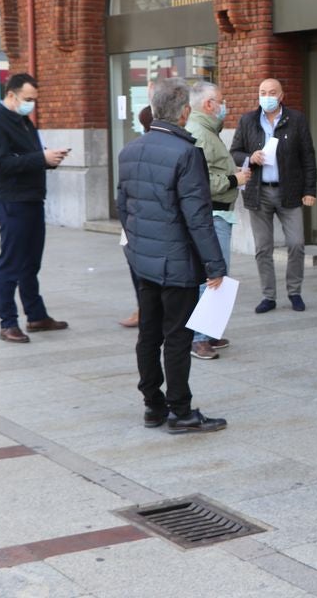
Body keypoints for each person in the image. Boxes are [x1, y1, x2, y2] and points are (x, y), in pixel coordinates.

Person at [118, 77, 228, 434]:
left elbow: (124, 207)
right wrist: (215, 264)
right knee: (178, 337)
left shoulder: (130, 150)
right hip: (176, 260)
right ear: (184, 113)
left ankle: (153, 405)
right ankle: (180, 410)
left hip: (143, 258)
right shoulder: (187, 153)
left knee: (149, 334)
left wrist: (137, 244)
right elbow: (198, 216)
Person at [0, 73, 68, 343]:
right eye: (28, 99)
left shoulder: (23, 121)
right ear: (11, 95)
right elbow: (1, 163)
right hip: (12, 201)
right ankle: (8, 322)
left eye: (34, 100)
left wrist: (48, 160)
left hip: (32, 199)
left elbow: (27, 157)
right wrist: (40, 158)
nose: (32, 104)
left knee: (31, 262)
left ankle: (36, 315)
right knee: (11, 262)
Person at [229, 78, 317, 313]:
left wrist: (310, 190)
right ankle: (268, 296)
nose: (266, 96)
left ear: (281, 96)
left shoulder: (296, 119)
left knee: (296, 244)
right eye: (262, 92)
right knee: (263, 248)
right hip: (259, 192)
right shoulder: (248, 120)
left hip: (289, 191)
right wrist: (250, 157)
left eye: (271, 92)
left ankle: (295, 291)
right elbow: (235, 152)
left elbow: (308, 157)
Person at [186, 82, 250, 359]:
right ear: (209, 105)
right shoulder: (200, 132)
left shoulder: (208, 131)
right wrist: (235, 178)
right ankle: (200, 338)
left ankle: (208, 334)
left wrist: (230, 173)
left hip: (219, 212)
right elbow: (200, 179)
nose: (226, 108)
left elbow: (210, 169)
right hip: (212, 213)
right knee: (213, 276)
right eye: (222, 102)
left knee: (215, 275)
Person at [119, 105, 154, 330]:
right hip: (145, 219)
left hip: (133, 219)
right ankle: (145, 310)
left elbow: (120, 195)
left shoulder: (129, 149)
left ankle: (144, 309)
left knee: (136, 265)